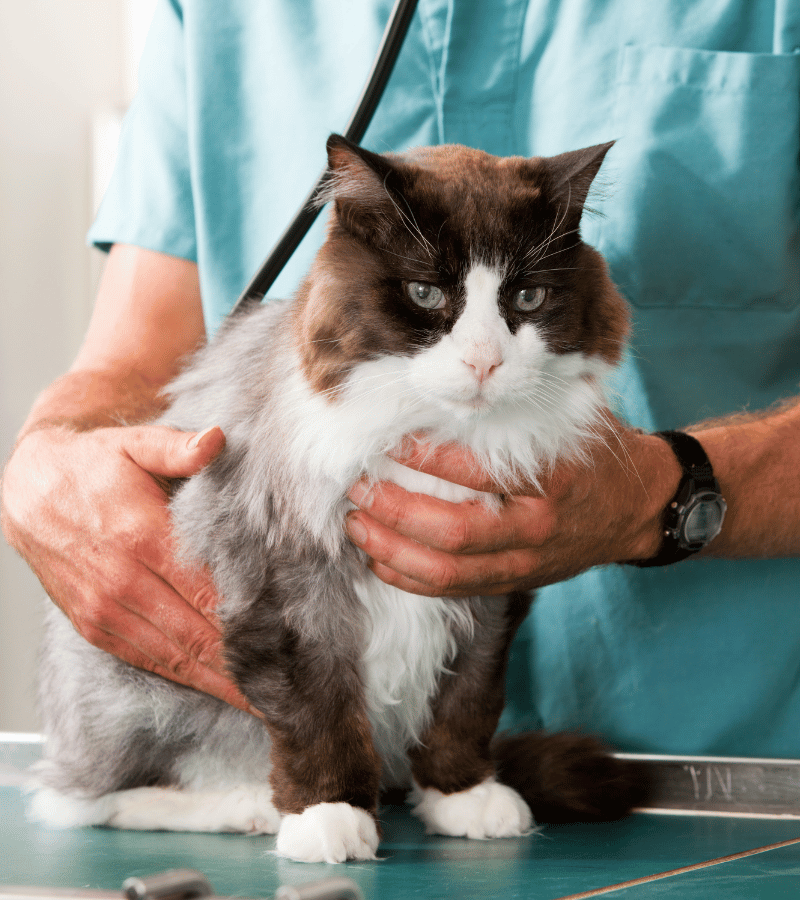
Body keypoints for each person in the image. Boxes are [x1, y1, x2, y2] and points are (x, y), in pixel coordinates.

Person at [3, 0, 800, 755]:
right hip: (299, 762)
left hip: (715, 772)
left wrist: (663, 495)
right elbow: (132, 363)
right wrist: (45, 462)